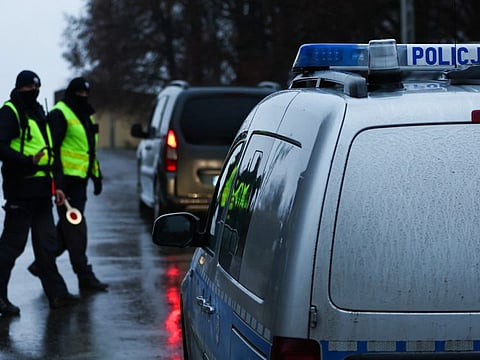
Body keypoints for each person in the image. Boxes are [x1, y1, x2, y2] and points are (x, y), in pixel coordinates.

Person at [0, 70, 79, 315]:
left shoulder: (38, 113)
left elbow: (50, 152)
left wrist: (59, 186)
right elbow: (1, 147)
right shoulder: (10, 112)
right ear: (20, 88)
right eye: (29, 88)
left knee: (46, 244)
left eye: (37, 88)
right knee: (12, 246)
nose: (33, 92)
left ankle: (57, 294)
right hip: (21, 191)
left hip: (44, 191)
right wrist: (27, 161)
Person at [28, 77, 108, 292]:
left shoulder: (85, 115)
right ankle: (84, 275)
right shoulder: (59, 113)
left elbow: (88, 150)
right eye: (79, 93)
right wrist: (58, 184)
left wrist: (96, 176)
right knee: (75, 229)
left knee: (69, 228)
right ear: (72, 93)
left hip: (80, 181)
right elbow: (52, 150)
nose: (82, 97)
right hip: (66, 183)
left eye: (85, 94)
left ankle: (42, 263)